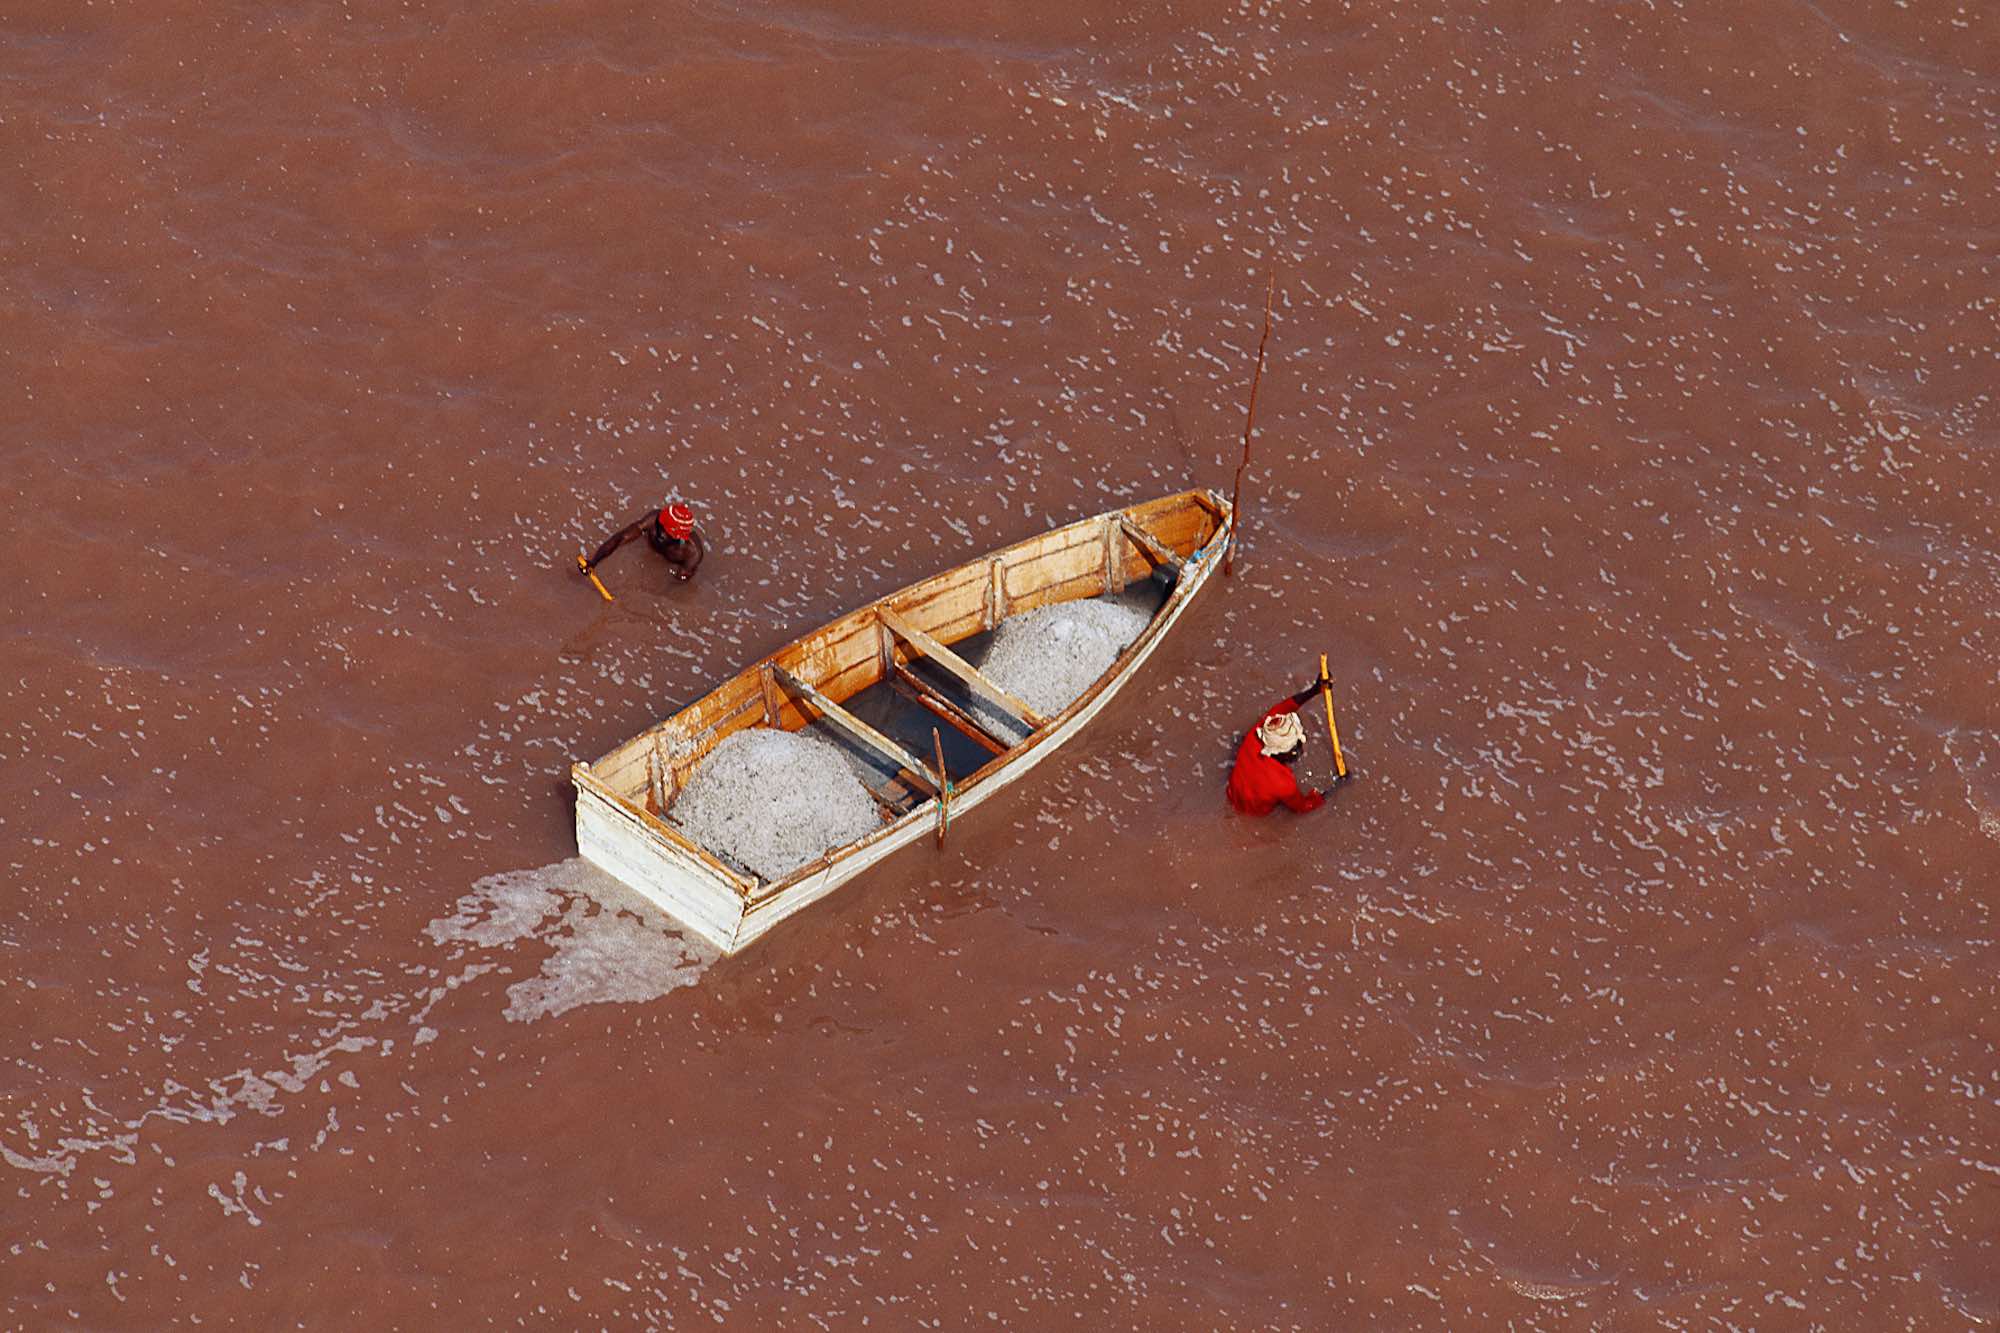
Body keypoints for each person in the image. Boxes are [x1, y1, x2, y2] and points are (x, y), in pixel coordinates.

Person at [1226, 666, 1346, 816]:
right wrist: (1337, 787)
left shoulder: (1256, 735)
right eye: (1296, 746)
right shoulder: (1283, 782)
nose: (1300, 747)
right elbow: (1303, 806)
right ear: (1283, 753)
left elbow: (1285, 707)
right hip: (1255, 814)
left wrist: (1315, 689)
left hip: (1233, 794)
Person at [583, 501, 705, 584]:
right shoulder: (653, 521)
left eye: (669, 532)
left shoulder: (692, 553)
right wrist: (594, 562)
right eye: (662, 527)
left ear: (680, 537)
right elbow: (621, 538)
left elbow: (678, 583)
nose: (661, 534)